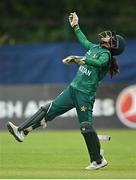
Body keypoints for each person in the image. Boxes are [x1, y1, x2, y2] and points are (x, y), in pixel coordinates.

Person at [7, 12, 125, 170]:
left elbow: (98, 63)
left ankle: (98, 160)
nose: (107, 36)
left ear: (113, 46)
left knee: (85, 127)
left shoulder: (107, 56)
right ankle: (21, 131)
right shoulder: (95, 47)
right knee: (47, 109)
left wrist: (80, 59)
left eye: (111, 38)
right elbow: (83, 40)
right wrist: (76, 26)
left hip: (85, 95)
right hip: (72, 90)